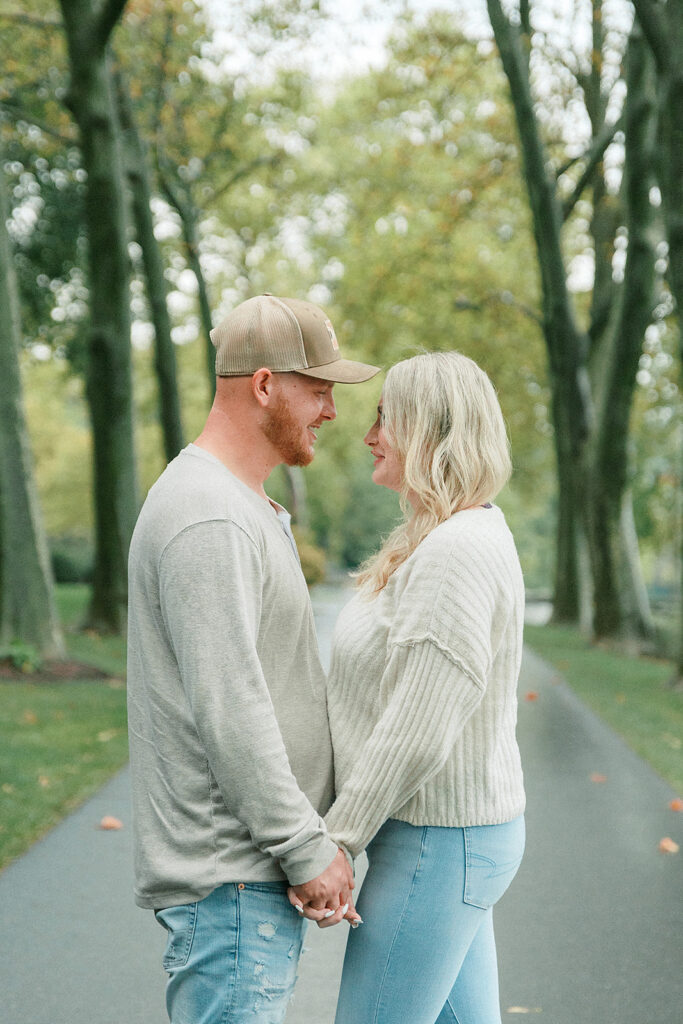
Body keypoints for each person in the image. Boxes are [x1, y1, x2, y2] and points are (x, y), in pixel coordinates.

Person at [127, 294, 377, 1024]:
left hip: (243, 886)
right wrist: (304, 849)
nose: (331, 412)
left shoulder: (239, 503)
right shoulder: (208, 515)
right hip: (231, 884)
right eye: (319, 390)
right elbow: (230, 705)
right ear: (264, 384)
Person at [316, 351, 527, 1023]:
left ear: (428, 429)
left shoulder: (457, 549)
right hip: (447, 840)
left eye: (384, 418)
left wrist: (336, 842)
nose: (370, 434)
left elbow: (415, 731)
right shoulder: (441, 537)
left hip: (437, 843)